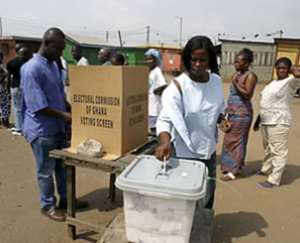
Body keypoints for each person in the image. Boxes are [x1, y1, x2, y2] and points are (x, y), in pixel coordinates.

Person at [21, 27, 87, 222]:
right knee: (45, 171)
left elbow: (58, 93)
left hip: (57, 127)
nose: (61, 53)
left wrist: (71, 107)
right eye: (58, 49)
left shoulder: (53, 64)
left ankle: (66, 200)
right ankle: (47, 206)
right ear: (47, 44)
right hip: (42, 130)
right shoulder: (31, 69)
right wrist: (66, 117)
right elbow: (38, 106)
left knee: (62, 167)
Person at [155, 36, 227, 209]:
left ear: (210, 60)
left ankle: (202, 228)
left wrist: (222, 120)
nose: (197, 64)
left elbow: (216, 109)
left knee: (207, 197)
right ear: (187, 59)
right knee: (185, 203)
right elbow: (165, 120)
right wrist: (165, 143)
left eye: (202, 60)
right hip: (185, 156)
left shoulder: (215, 81)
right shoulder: (178, 87)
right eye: (193, 59)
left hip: (208, 153)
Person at [254, 57, 300, 188]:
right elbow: (266, 103)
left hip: (279, 121)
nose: (280, 70)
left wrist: (292, 70)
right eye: (278, 67)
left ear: (288, 69)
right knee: (268, 148)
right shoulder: (272, 83)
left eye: (284, 68)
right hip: (266, 120)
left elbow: (298, 74)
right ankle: (266, 169)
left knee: (278, 151)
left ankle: (274, 179)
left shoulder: (291, 81)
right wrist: (258, 121)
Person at [220, 48, 257, 181]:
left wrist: (235, 83)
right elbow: (232, 95)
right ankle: (228, 166)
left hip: (242, 114)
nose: (235, 64)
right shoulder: (236, 75)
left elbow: (248, 94)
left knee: (238, 142)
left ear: (246, 63)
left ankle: (234, 170)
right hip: (232, 113)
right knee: (229, 141)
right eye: (235, 62)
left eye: (238, 62)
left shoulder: (250, 76)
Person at [7, 46, 32, 135]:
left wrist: (7, 87)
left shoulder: (13, 63)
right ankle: (21, 126)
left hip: (16, 86)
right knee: (24, 108)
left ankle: (19, 128)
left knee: (17, 108)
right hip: (25, 87)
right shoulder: (29, 63)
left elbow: (9, 76)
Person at [144, 48, 167, 134]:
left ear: (155, 60)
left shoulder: (157, 71)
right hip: (149, 106)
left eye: (150, 59)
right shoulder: (149, 71)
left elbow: (164, 85)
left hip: (155, 107)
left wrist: (155, 91)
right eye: (146, 59)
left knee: (155, 129)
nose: (148, 61)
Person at [0, 52, 10, 128]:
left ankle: (4, 121)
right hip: (2, 87)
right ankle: (5, 121)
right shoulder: (3, 66)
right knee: (4, 104)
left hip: (2, 87)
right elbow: (7, 75)